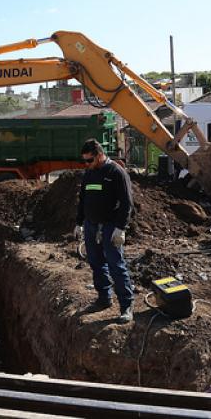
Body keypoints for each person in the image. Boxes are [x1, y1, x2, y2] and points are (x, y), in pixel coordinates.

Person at [74, 138, 135, 324]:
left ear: (100, 155)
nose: (87, 164)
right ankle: (104, 298)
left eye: (90, 160)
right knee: (96, 262)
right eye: (84, 161)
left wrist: (120, 228)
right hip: (92, 225)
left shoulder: (116, 173)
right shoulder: (89, 174)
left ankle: (126, 305)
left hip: (110, 226)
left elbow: (127, 203)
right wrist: (79, 223)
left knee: (116, 264)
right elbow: (83, 200)